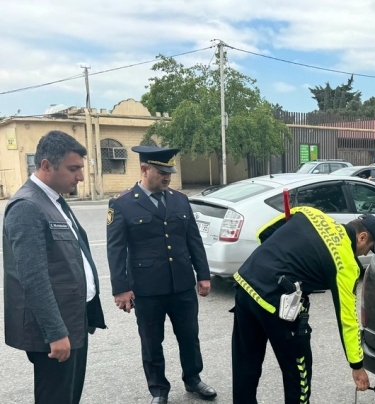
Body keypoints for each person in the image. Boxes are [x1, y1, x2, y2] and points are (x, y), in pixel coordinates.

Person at [232, 207, 375, 403]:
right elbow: (347, 320)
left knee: (245, 363)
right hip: (278, 303)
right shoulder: (346, 263)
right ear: (362, 237)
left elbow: (264, 233)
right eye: (370, 249)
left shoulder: (310, 213)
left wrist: (275, 264)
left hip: (246, 283)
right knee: (298, 375)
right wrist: (357, 365)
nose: (366, 254)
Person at [107, 146, 216, 404]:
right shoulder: (122, 203)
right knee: (151, 342)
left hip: (182, 285)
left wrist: (203, 274)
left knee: (189, 336)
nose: (168, 177)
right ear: (144, 170)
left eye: (170, 172)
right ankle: (158, 390)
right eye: (162, 172)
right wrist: (121, 288)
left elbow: (193, 239)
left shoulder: (180, 199)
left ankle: (193, 379)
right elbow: (115, 249)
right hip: (147, 289)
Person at [3, 131, 106, 404]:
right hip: (55, 330)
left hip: (73, 319)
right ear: (46, 165)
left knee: (70, 396)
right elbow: (32, 278)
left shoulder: (54, 199)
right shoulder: (27, 206)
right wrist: (56, 333)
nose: (81, 177)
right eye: (73, 169)